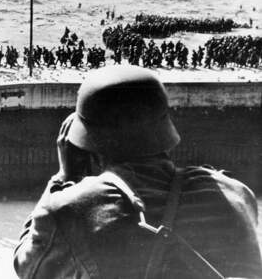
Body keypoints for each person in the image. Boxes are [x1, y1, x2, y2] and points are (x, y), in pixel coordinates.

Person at [14, 65, 261, 279]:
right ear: (164, 133)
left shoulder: (66, 211)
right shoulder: (238, 195)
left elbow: (27, 267)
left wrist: (62, 178)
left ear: (87, 145)